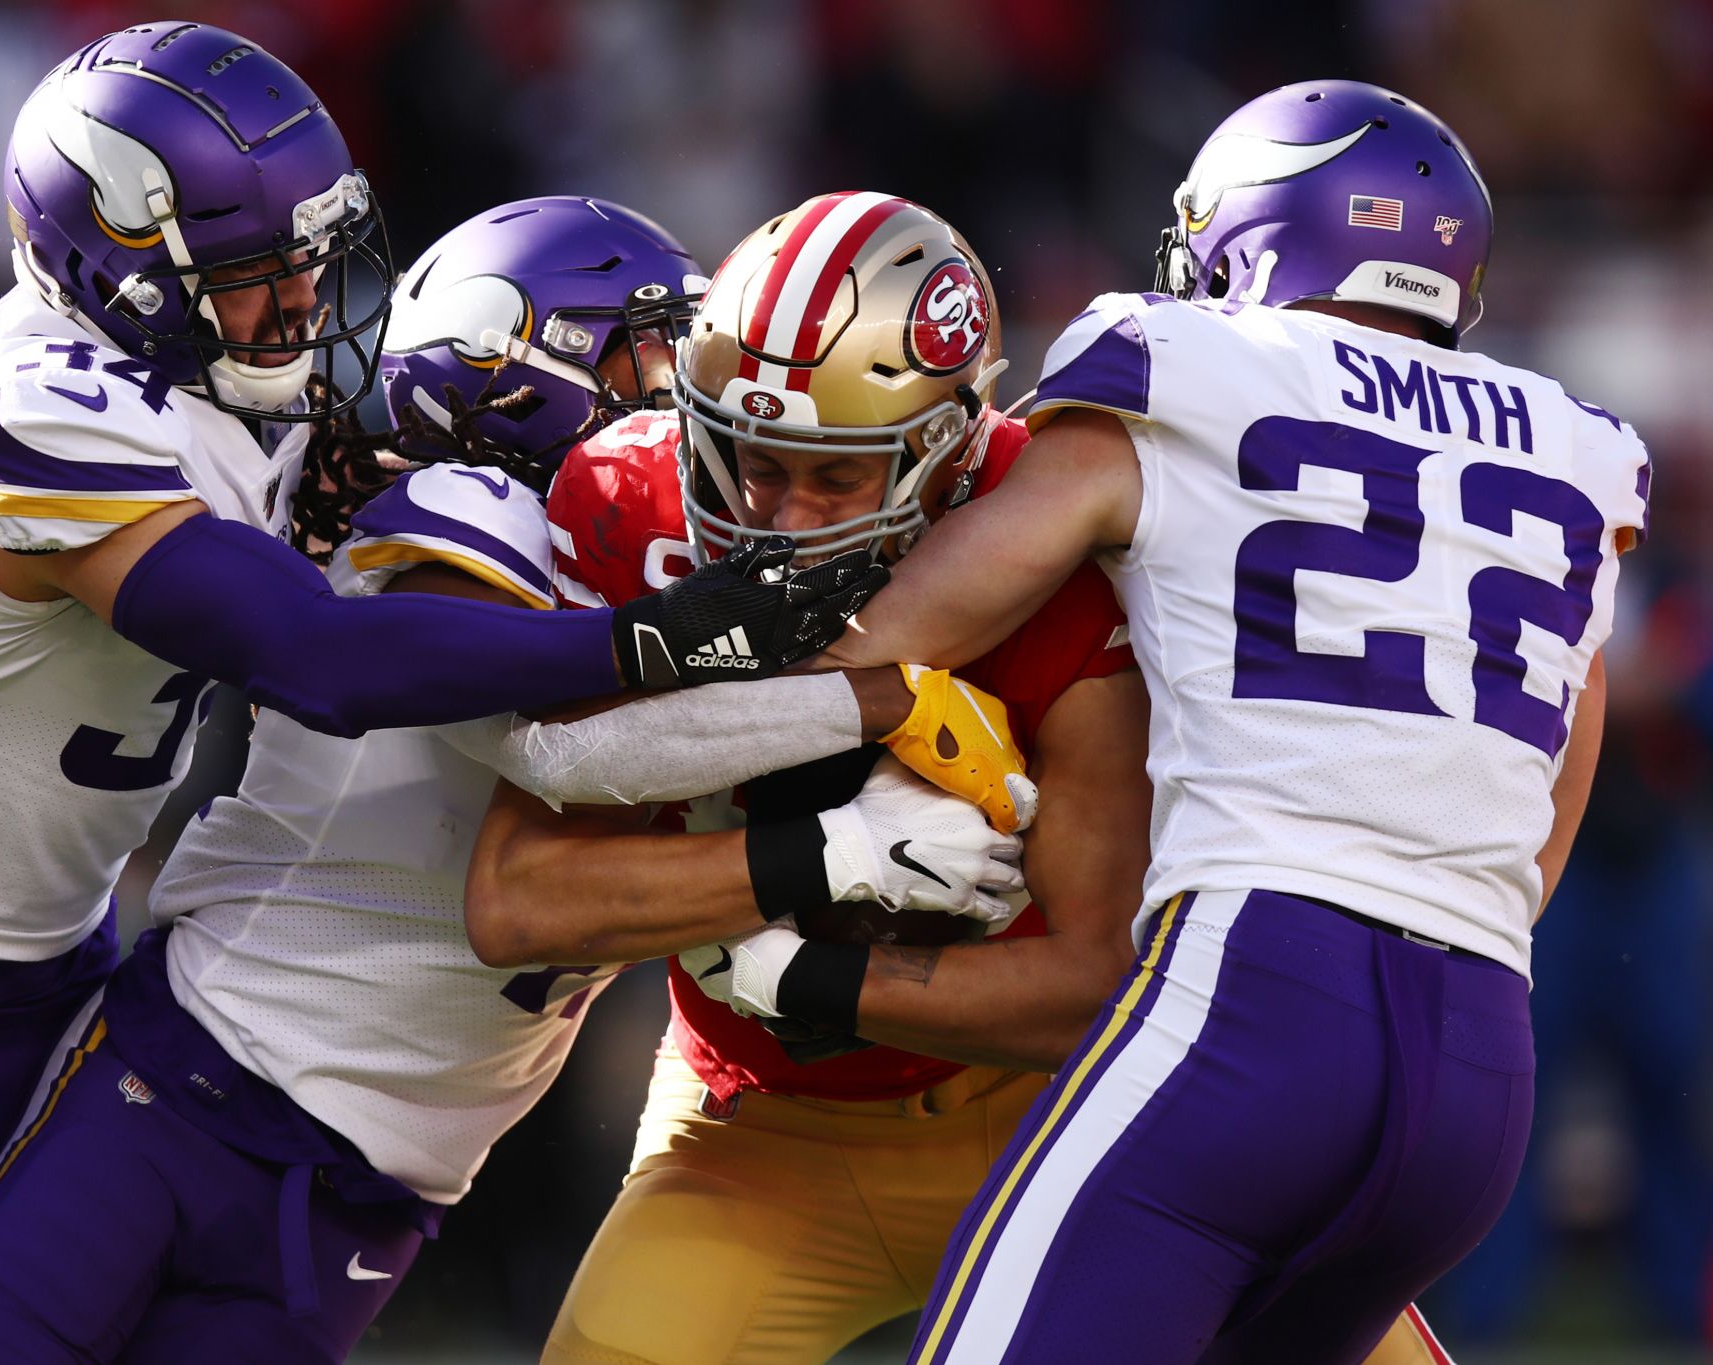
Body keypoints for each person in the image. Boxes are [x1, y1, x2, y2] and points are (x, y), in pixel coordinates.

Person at [0, 29, 877, 1365]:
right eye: (256, 275)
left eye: (308, 258)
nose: (300, 304)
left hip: (47, 966)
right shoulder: (36, 402)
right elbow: (324, 662)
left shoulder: (249, 385)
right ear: (118, 268)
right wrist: (658, 645)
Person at [0, 197, 1004, 1365]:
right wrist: (876, 710)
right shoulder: (470, 507)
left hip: (388, 1172)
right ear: (522, 366)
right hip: (199, 1070)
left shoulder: (662, 572)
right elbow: (541, 738)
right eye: (650, 347)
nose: (685, 395)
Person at [483, 189, 1450, 1365]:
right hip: (756, 1128)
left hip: (1053, 1119)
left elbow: (1098, 978)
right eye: (748, 457)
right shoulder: (629, 505)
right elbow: (516, 900)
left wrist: (814, 975)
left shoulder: (1059, 550)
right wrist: (808, 864)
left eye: (831, 476)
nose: (775, 519)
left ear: (944, 456)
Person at [811, 82, 1647, 1364]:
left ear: (1248, 231)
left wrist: (782, 693)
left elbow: (915, 631)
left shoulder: (1185, 358)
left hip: (1255, 994)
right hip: (1477, 1068)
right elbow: (1548, 804)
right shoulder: (1577, 448)